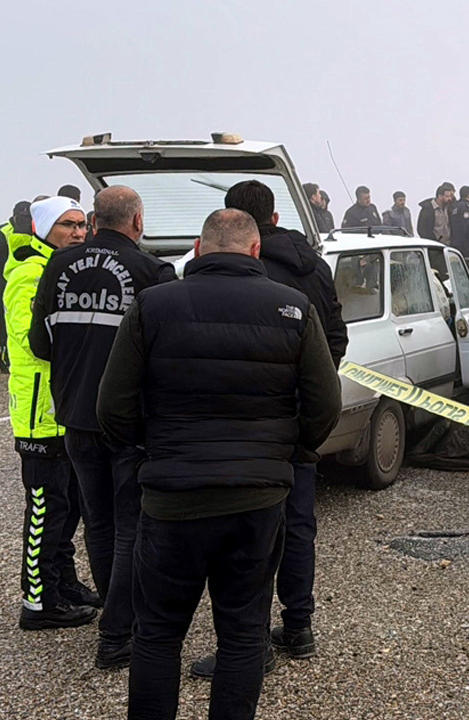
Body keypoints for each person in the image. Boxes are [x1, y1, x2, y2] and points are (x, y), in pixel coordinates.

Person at [97, 208, 340, 720]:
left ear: (198, 248)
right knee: (243, 633)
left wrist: (151, 451)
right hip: (256, 498)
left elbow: (112, 407)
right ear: (255, 251)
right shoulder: (292, 307)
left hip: (171, 499)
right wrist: (289, 453)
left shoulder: (152, 305)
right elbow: (324, 405)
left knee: (158, 633)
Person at [180, 181, 347, 675]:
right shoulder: (312, 263)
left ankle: (248, 644)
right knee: (297, 526)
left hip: (243, 423)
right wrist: (309, 397)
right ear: (274, 216)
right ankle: (299, 627)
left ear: (233, 221)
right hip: (296, 419)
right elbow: (334, 337)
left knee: (242, 537)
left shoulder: (221, 275)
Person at [28, 186, 175, 669]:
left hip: (74, 415)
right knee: (132, 523)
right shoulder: (151, 271)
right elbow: (164, 353)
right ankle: (118, 631)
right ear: (137, 221)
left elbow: (40, 343)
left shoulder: (58, 266)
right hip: (129, 420)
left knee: (98, 522)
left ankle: (117, 616)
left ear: (92, 221)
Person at [6, 196, 99, 631]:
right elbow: (28, 341)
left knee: (70, 506)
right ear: (44, 229)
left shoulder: (64, 269)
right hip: (39, 411)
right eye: (67, 225)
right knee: (45, 508)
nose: (78, 233)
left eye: (82, 225)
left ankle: (64, 583)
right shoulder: (29, 274)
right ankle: (38, 602)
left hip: (64, 407)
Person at [0, 201, 32, 373]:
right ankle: (5, 358)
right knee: (6, 322)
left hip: (27, 280)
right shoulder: (2, 232)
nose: (25, 219)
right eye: (22, 216)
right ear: (14, 215)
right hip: (6, 283)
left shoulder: (34, 229)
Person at [449, 185, 469, 255]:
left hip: (455, 242)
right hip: (464, 245)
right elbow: (466, 227)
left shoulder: (455, 206)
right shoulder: (465, 208)